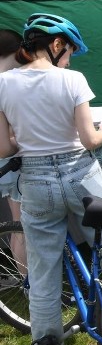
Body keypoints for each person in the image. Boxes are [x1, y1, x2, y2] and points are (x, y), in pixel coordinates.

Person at [0, 13, 102, 345]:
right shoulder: (72, 80)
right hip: (82, 174)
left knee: (42, 272)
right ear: (56, 45)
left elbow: (4, 146)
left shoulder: (3, 85)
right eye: (70, 50)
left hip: (36, 181)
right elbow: (89, 139)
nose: (71, 59)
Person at [0, 29, 24, 272]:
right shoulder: (6, 83)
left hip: (6, 163)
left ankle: (28, 283)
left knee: (18, 224)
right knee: (22, 226)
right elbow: (6, 140)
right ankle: (29, 284)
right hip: (12, 161)